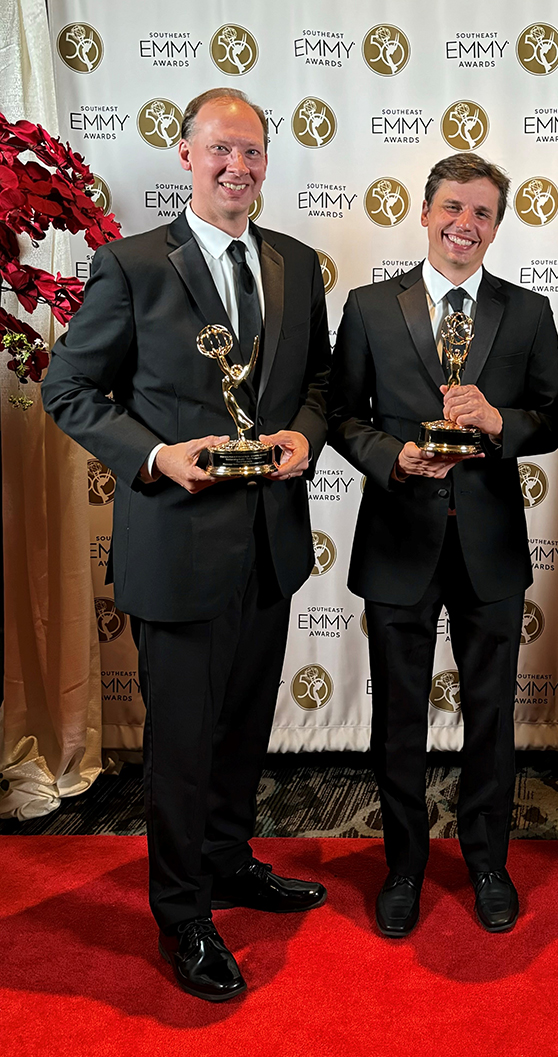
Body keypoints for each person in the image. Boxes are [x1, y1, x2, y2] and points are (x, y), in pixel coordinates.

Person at [43, 89, 331, 1001]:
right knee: (180, 742)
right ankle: (181, 916)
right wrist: (160, 455)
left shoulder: (292, 262)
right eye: (220, 150)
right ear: (185, 155)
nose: (237, 167)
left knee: (244, 725)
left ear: (266, 163)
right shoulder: (130, 265)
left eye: (251, 151)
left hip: (270, 546)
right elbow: (70, 388)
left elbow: (318, 379)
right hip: (176, 546)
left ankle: (228, 860)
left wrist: (304, 437)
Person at [328, 153, 558, 937]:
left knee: (491, 713)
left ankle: (488, 860)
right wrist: (390, 457)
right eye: (453, 208)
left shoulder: (527, 312)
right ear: (425, 213)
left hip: (489, 545)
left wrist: (500, 422)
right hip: (398, 537)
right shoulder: (367, 306)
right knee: (397, 715)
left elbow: (552, 417)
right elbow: (341, 415)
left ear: (498, 224)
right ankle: (403, 865)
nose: (466, 224)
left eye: (483, 213)